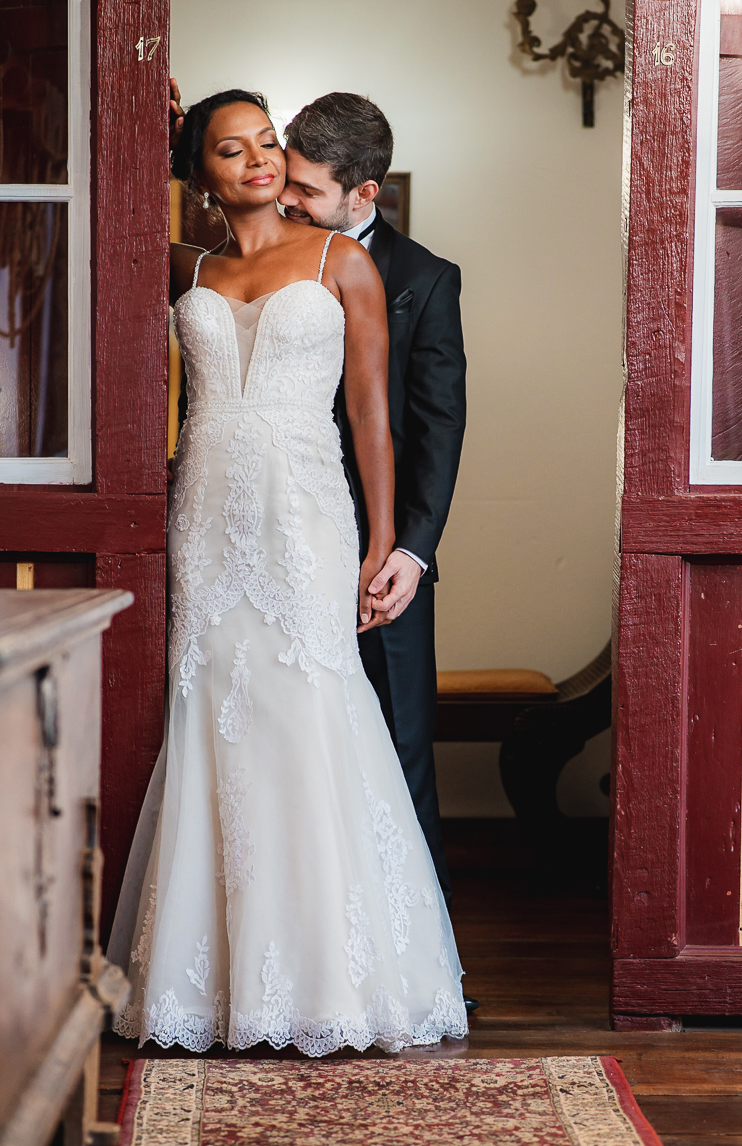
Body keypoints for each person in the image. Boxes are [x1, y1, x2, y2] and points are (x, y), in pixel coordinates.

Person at [107, 89, 467, 1055]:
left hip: (307, 520)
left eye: (268, 141)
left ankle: (329, 976)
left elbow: (373, 420)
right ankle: (217, 979)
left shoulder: (340, 260)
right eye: (234, 149)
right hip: (207, 517)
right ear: (203, 175)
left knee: (310, 711)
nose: (262, 159)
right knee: (213, 717)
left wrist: (383, 545)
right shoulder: (190, 268)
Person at [278, 95, 467, 914]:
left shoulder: (424, 279)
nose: (289, 201)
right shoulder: (262, 255)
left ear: (365, 193)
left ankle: (423, 947)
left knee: (398, 749)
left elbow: (438, 424)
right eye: (287, 180)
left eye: (308, 191)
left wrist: (410, 553)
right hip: (279, 531)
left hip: (377, 553)